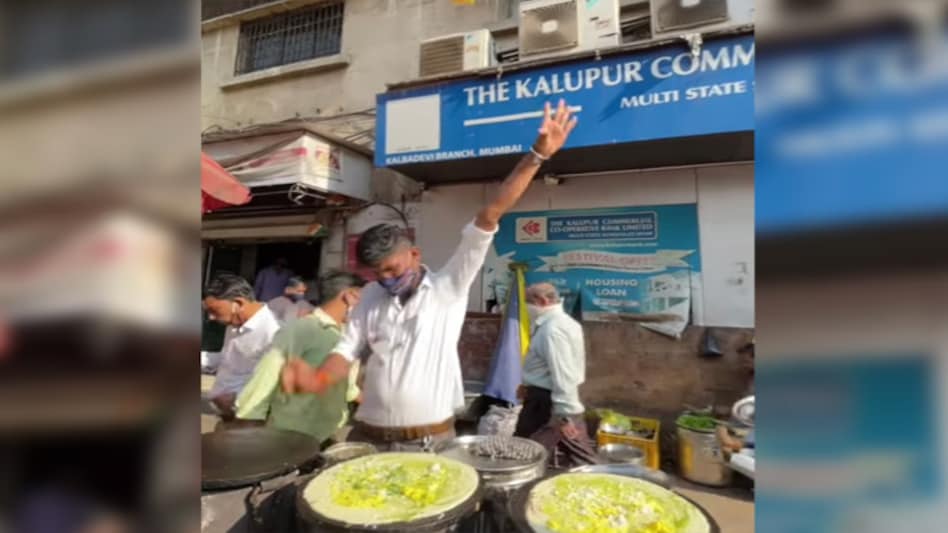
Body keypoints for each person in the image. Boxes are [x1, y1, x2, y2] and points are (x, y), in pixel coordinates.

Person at [282, 100, 578, 451]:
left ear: (415, 255)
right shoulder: (371, 297)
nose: (386, 278)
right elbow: (347, 351)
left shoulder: (448, 286)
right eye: (378, 273)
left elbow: (489, 214)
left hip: (428, 441)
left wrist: (536, 156)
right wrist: (316, 379)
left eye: (392, 269)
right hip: (368, 437)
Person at [235, 271, 365, 442]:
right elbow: (266, 375)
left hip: (325, 433)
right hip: (290, 436)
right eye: (364, 300)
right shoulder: (303, 329)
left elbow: (346, 387)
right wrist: (249, 423)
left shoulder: (347, 336)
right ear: (350, 297)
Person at [514, 282, 597, 469]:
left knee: (523, 452)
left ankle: (602, 484)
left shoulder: (553, 330)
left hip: (548, 403)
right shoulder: (561, 324)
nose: (526, 309)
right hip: (547, 399)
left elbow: (563, 374)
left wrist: (566, 415)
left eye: (527, 303)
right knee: (526, 450)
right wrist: (527, 385)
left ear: (542, 301)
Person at [203, 274, 281, 422]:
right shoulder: (235, 323)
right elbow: (228, 358)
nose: (211, 318)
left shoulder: (274, 331)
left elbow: (274, 383)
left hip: (250, 419)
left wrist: (236, 400)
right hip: (227, 415)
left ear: (238, 303)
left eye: (215, 311)